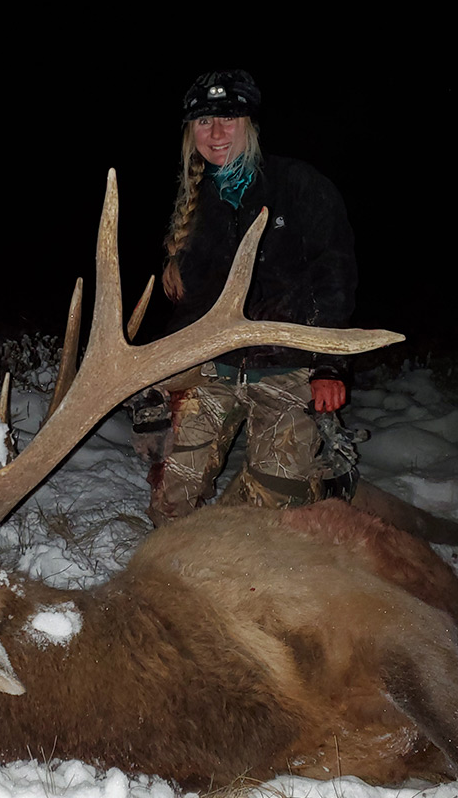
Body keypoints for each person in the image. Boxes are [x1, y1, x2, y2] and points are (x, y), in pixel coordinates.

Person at [132, 69, 358, 524]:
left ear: (250, 124)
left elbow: (334, 276)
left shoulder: (298, 185)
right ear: (189, 133)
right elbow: (190, 311)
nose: (216, 133)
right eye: (203, 122)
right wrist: (157, 378)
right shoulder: (195, 207)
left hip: (289, 370)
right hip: (215, 372)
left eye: (229, 118)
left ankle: (326, 467)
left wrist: (329, 365)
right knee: (168, 509)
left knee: (270, 523)